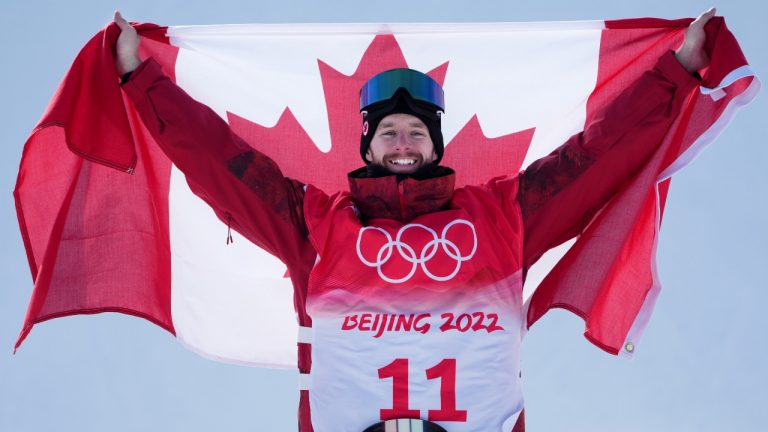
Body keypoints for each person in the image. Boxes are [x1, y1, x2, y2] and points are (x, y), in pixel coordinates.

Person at [113, 9, 715, 432]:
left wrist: (678, 71)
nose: (404, 142)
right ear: (369, 147)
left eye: (417, 132)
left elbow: (594, 158)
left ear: (436, 146)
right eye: (391, 133)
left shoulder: (501, 216)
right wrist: (141, 81)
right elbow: (225, 166)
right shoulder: (318, 225)